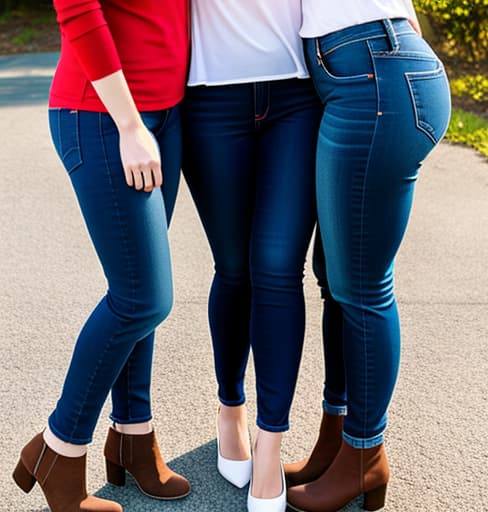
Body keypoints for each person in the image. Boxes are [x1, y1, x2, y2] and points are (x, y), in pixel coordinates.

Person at [12, 1, 191, 510]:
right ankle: (58, 448)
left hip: (167, 113)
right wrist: (130, 125)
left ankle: (133, 435)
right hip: (103, 115)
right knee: (141, 298)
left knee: (139, 288)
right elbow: (78, 12)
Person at [285, 1, 452, 511]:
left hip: (373, 70)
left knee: (361, 285)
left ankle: (365, 454)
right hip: (367, 64)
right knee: (333, 273)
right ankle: (337, 437)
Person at [181, 1, 321, 510]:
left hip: (298, 93)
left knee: (280, 267)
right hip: (208, 97)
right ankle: (230, 410)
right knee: (234, 269)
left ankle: (271, 443)